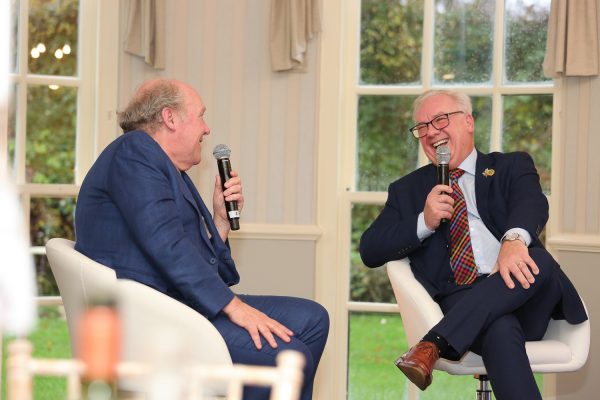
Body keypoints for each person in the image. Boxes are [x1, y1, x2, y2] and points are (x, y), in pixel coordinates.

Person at [75, 78, 329, 400]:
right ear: (170, 118)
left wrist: (220, 220)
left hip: (177, 304)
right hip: (149, 320)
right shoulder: (134, 152)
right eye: (201, 115)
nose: (207, 129)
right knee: (288, 356)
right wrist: (235, 308)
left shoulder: (167, 168)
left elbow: (188, 256)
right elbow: (167, 247)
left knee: (313, 319)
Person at [359, 90, 587, 400]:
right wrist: (424, 222)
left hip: (526, 295)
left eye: (440, 120)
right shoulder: (407, 190)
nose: (431, 132)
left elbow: (532, 204)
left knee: (539, 259)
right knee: (499, 328)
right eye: (422, 127)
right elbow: (370, 249)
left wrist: (513, 241)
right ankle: (441, 340)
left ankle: (433, 344)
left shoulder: (510, 166)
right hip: (462, 297)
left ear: (468, 122)